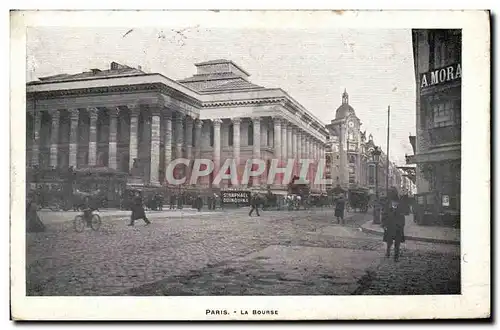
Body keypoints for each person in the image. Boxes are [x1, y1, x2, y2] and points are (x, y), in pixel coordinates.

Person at [382, 188, 406, 262]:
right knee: (390, 242)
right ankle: (389, 253)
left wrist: (402, 225)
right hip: (391, 225)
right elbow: (384, 214)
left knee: (396, 242)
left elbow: (403, 214)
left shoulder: (400, 202)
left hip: (396, 226)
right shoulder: (388, 203)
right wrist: (384, 224)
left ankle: (395, 256)